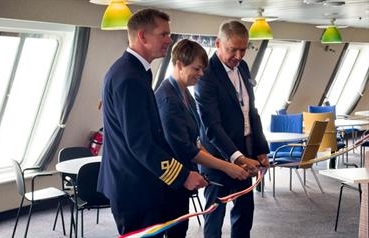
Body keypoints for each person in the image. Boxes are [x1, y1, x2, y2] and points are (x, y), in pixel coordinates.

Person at [96, 9, 208, 237]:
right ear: (142, 36)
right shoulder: (129, 77)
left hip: (137, 180)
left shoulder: (133, 71)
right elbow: (140, 143)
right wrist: (183, 176)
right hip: (133, 184)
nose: (170, 40)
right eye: (163, 34)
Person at [155, 39, 249, 237]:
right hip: (168, 181)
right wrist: (227, 166)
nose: (201, 74)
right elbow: (186, 149)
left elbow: (195, 141)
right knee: (174, 231)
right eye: (196, 69)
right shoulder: (168, 98)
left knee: (180, 230)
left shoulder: (183, 93)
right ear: (179, 64)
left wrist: (231, 162)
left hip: (181, 177)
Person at [194, 20, 270, 238]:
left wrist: (260, 149)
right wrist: (237, 158)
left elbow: (251, 111)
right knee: (215, 215)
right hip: (218, 156)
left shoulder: (243, 67)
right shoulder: (205, 74)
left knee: (244, 213)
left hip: (245, 150)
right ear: (218, 44)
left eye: (243, 49)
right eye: (232, 49)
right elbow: (211, 126)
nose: (238, 56)